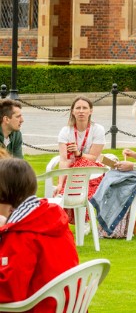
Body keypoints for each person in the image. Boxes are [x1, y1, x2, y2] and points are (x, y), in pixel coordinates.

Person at [0, 159, 79, 312]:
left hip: (39, 307)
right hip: (67, 306)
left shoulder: (22, 234)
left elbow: (10, 292)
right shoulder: (51, 218)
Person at [55, 96, 106, 197]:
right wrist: (60, 183)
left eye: (84, 108)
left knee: (82, 167)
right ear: (73, 111)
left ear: (90, 111)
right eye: (78, 108)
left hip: (92, 171)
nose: (81, 111)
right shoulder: (65, 131)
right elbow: (64, 160)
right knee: (65, 189)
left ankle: (72, 197)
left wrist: (78, 154)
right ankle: (64, 194)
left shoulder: (98, 129)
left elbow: (93, 158)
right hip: (72, 171)